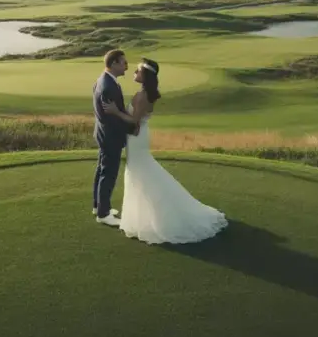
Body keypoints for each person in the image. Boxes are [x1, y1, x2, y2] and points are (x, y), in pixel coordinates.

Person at [101, 57, 228, 244]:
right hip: (139, 137)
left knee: (140, 173)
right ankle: (144, 217)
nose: (134, 73)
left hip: (136, 139)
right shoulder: (145, 94)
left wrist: (114, 111)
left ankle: (153, 219)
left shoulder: (142, 96)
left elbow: (133, 121)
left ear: (145, 76)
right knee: (141, 172)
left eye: (137, 71)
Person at [91, 49, 138, 226]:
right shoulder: (108, 86)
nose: (126, 66)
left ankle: (98, 206)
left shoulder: (104, 80)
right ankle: (103, 214)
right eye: (123, 62)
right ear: (114, 64)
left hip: (103, 134)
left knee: (101, 170)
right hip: (110, 136)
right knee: (108, 173)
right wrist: (131, 127)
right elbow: (109, 117)